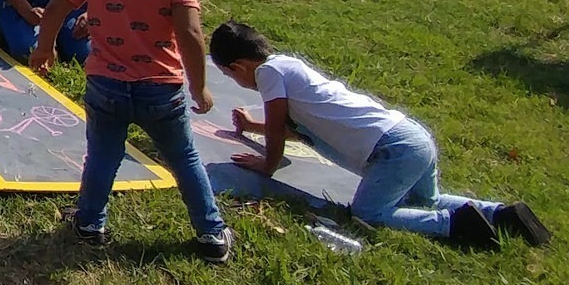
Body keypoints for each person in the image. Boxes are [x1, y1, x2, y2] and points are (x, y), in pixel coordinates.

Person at [28, 0, 234, 263]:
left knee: (103, 155)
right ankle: (211, 233)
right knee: (185, 158)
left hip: (105, 85)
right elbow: (189, 34)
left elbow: (58, 5)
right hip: (161, 91)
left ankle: (90, 223)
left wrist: (45, 47)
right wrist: (199, 85)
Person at [211, 22, 549, 249]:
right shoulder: (288, 68)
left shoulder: (269, 72)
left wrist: (267, 163)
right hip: (411, 137)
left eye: (229, 75)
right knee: (422, 201)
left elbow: (276, 122)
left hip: (391, 149)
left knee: (368, 213)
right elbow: (293, 127)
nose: (236, 82)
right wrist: (250, 127)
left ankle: (454, 225)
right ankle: (500, 213)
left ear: (239, 66)